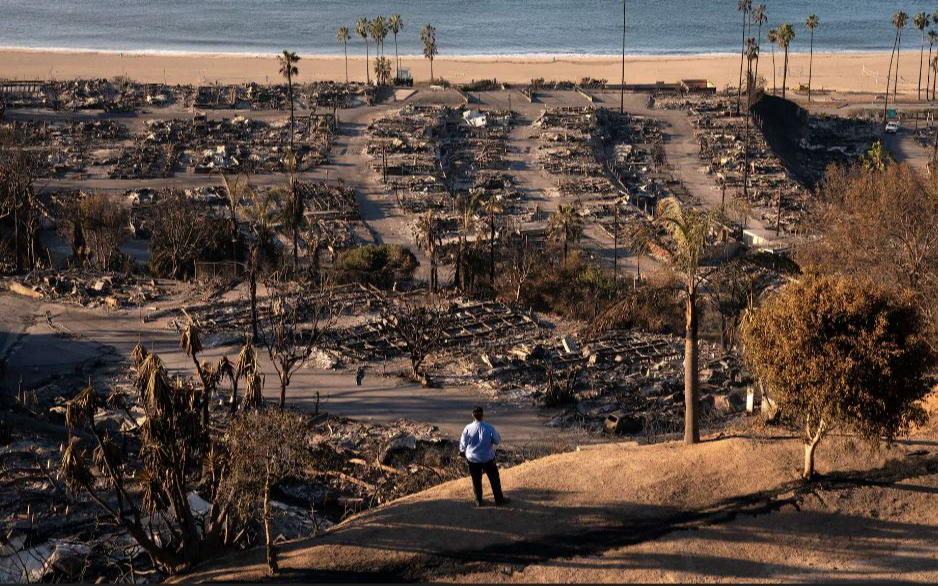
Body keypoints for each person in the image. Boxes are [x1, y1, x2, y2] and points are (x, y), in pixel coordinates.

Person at [459, 407, 508, 507]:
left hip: (472, 459)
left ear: (472, 415)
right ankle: (499, 500)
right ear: (482, 415)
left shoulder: (468, 428)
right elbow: (497, 441)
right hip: (487, 458)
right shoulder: (489, 427)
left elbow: (463, 443)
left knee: (476, 480)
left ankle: (478, 501)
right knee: (494, 479)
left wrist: (462, 452)